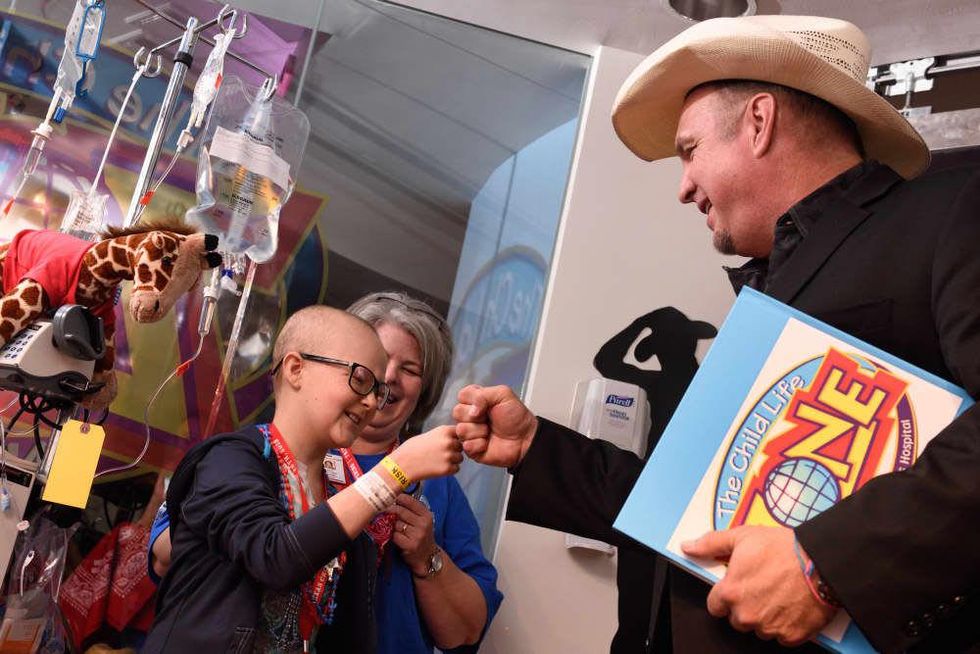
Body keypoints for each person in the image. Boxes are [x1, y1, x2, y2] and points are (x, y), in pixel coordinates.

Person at [453, 14, 980, 654]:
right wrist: (536, 447)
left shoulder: (954, 210)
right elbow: (690, 508)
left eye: (689, 150)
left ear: (759, 122)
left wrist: (826, 567)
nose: (683, 188)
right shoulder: (769, 287)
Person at [144, 306, 464, 653]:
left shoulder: (342, 508)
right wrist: (396, 471)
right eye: (360, 379)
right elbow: (274, 556)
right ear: (296, 369)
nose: (372, 402)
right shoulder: (230, 459)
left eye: (378, 391)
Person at [339, 291, 502, 653]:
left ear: (424, 392)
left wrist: (427, 556)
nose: (389, 376)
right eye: (380, 358)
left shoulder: (437, 485)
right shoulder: (294, 454)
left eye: (410, 370)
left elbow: (466, 632)